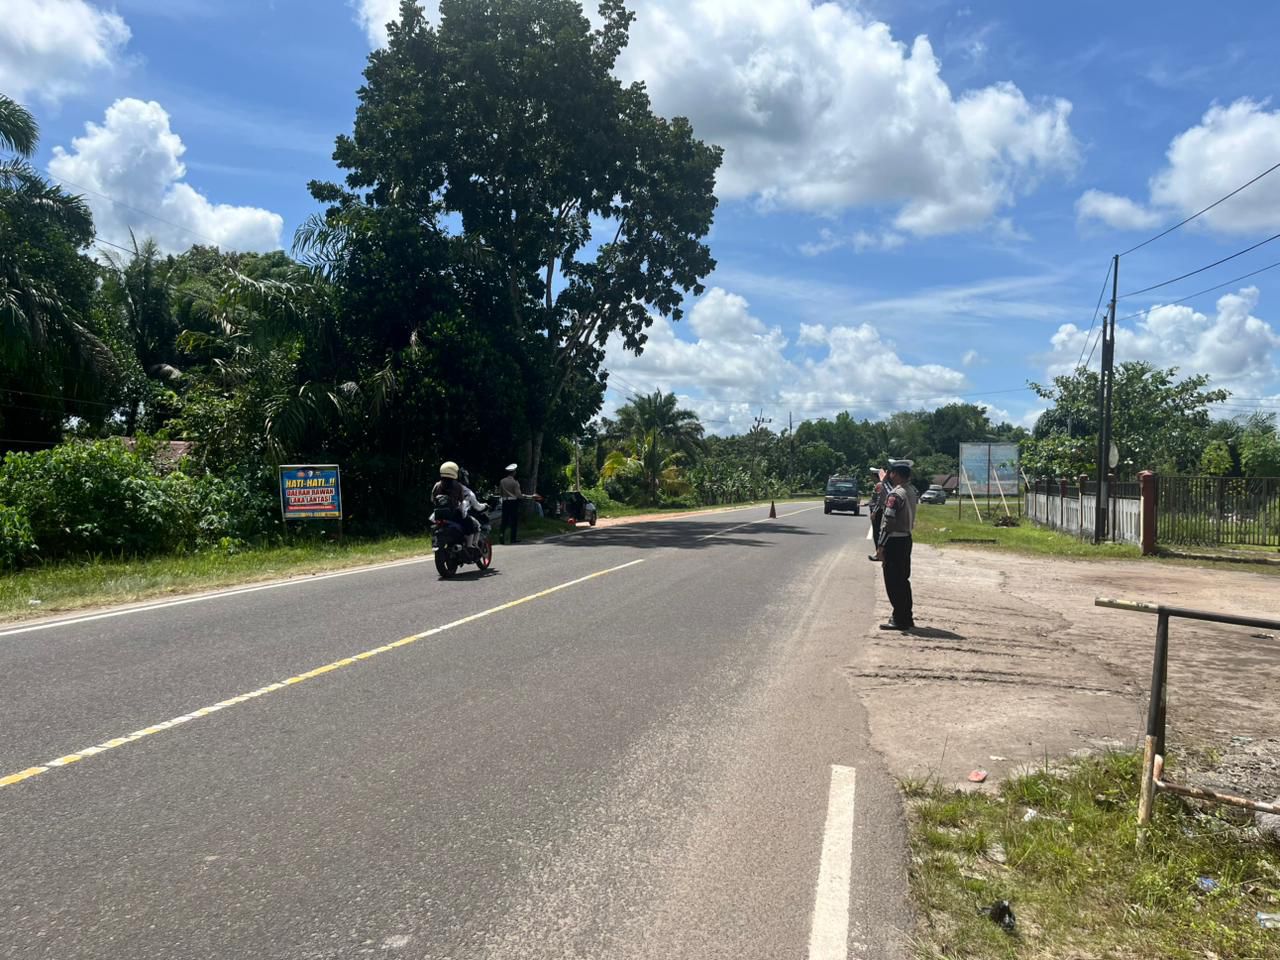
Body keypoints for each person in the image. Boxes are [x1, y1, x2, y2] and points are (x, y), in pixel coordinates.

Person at [875, 459, 917, 631]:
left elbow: (888, 522)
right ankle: (906, 616)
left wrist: (881, 546)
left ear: (896, 474)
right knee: (903, 580)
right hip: (906, 539)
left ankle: (899, 618)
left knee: (893, 582)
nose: (890, 475)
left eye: (892, 472)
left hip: (894, 541)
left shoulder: (895, 495)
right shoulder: (911, 491)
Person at [458, 468, 489, 550]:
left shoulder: (442, 487)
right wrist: (485, 506)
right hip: (460, 514)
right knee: (476, 525)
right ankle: (471, 546)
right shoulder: (466, 490)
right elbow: (477, 506)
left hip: (445, 516)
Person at [499, 463, 524, 544]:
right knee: (514, 520)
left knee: (504, 520)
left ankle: (501, 538)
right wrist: (522, 497)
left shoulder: (502, 481)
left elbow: (501, 493)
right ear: (513, 473)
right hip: (513, 502)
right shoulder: (515, 482)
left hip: (505, 501)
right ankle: (512, 538)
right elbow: (518, 494)